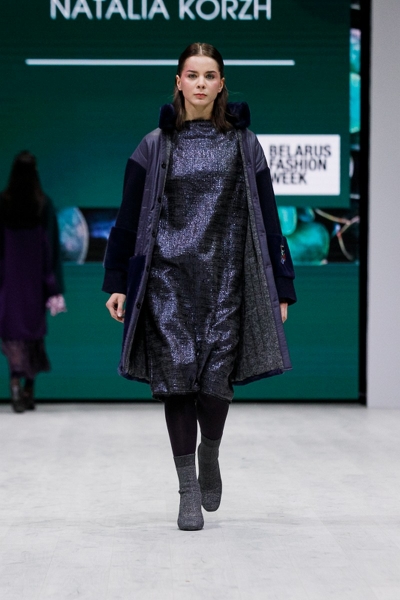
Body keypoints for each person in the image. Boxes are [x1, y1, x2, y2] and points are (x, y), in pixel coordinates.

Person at [103, 43, 297, 530]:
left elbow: (269, 217)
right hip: (166, 281)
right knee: (176, 386)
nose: (201, 84)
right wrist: (117, 281)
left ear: (221, 83)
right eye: (193, 75)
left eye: (210, 75)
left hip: (226, 280)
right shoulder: (153, 145)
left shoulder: (244, 144)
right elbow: (127, 219)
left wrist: (281, 285)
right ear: (179, 82)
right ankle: (187, 489)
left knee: (214, 390)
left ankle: (210, 451)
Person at [0, 151, 65, 413]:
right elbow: (52, 247)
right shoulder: (43, 204)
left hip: (8, 282)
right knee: (33, 336)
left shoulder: (3, 203)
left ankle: (15, 385)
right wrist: (54, 287)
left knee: (13, 335)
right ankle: (28, 390)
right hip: (35, 282)